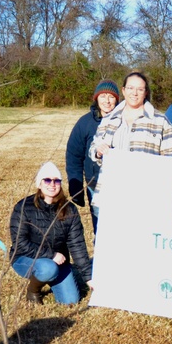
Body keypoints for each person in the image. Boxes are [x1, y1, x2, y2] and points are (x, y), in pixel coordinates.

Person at [89, 71, 172, 219]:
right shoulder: (108, 119)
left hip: (145, 199)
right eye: (130, 88)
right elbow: (93, 149)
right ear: (123, 90)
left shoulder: (161, 121)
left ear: (145, 92)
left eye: (140, 89)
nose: (134, 93)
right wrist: (98, 151)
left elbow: (171, 163)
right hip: (110, 195)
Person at [9, 162, 92, 305]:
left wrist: (89, 278)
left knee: (71, 301)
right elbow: (20, 243)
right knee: (48, 268)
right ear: (39, 184)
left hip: (58, 261)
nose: (52, 184)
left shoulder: (69, 209)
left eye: (56, 181)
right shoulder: (23, 207)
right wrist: (51, 255)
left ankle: (52, 276)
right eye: (47, 180)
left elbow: (77, 244)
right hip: (25, 258)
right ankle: (33, 291)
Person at [65, 79, 120, 233]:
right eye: (103, 96)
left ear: (117, 99)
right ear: (96, 98)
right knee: (101, 228)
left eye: (111, 97)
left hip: (121, 184)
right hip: (95, 185)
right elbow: (73, 155)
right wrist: (75, 186)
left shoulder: (124, 121)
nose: (107, 101)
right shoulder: (85, 123)